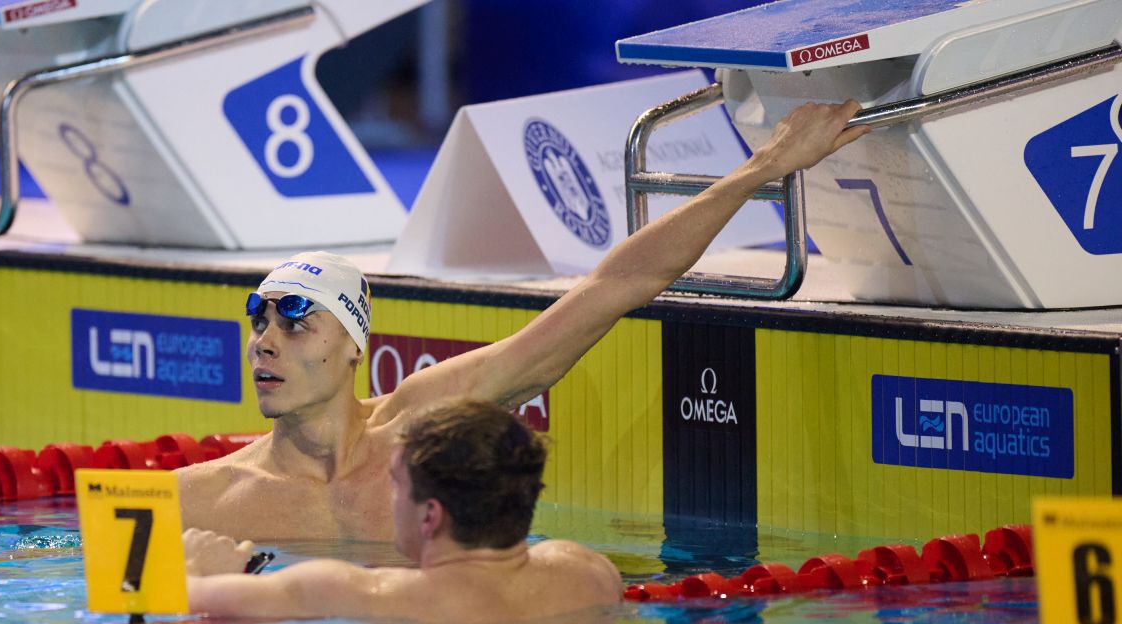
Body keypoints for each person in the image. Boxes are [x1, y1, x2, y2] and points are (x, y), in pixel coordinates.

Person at [177, 100, 870, 541]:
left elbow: (614, 286)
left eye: (294, 323)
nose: (264, 342)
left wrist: (763, 167)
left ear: (355, 345)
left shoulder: (421, 431)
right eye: (257, 322)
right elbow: (73, 550)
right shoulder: (207, 494)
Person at [181, 400, 622, 624]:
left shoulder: (352, 592)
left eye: (394, 483)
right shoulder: (590, 574)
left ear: (431, 516)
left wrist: (202, 570)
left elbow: (175, 604)